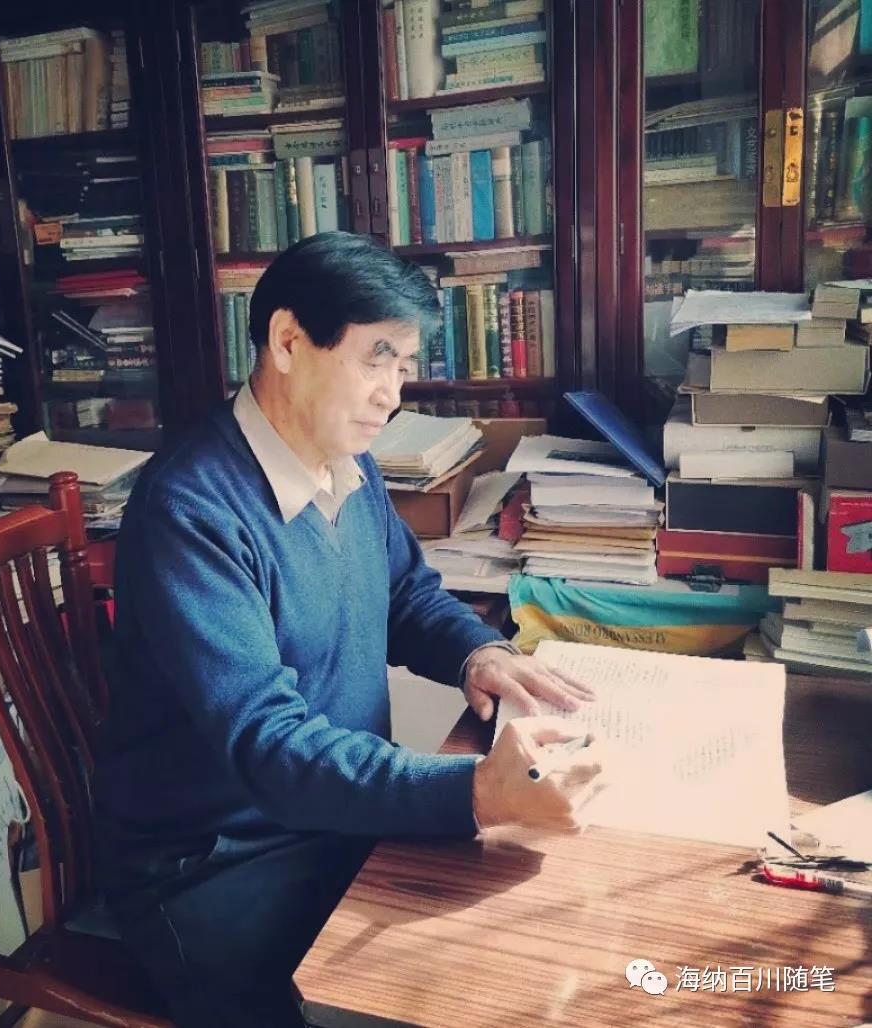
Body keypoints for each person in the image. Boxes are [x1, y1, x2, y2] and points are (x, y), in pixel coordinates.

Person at [95, 231, 606, 1028]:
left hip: (332, 818)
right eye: (376, 358)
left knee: (540, 933)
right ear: (288, 341)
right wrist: (473, 789)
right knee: (415, 998)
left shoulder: (345, 458)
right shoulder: (189, 512)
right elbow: (269, 742)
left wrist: (477, 652)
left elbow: (404, 592)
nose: (391, 395)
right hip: (218, 862)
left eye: (403, 366)